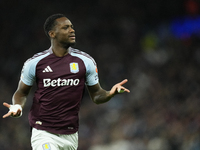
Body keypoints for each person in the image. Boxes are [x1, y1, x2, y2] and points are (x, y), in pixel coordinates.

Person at [2, 13, 130, 150]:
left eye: (72, 27)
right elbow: (21, 92)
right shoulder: (34, 63)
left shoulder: (85, 61)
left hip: (71, 135)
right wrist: (17, 106)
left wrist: (110, 93)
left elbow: (97, 95)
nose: (72, 30)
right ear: (52, 33)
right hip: (44, 132)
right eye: (65, 28)